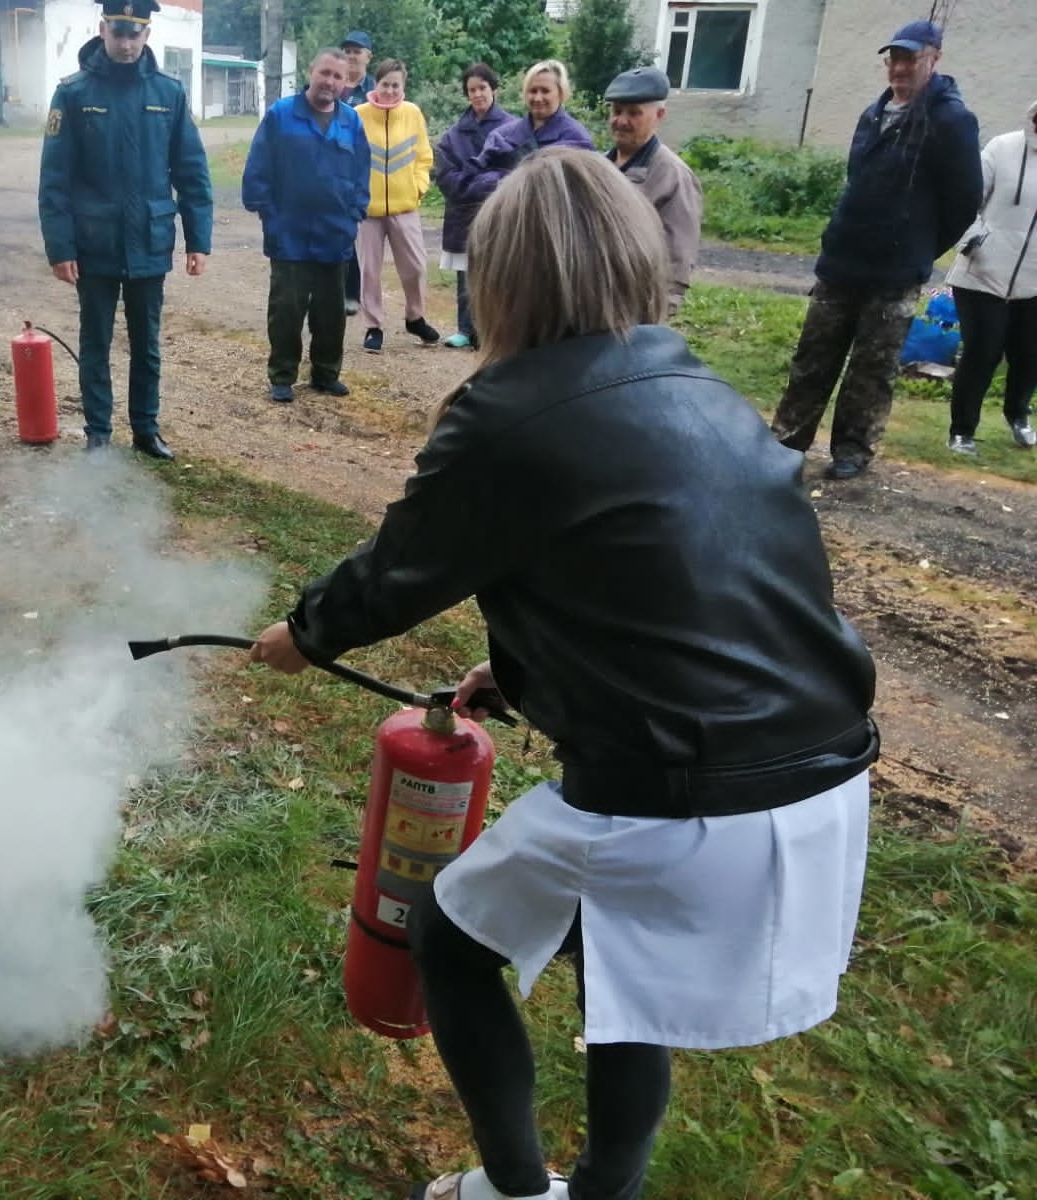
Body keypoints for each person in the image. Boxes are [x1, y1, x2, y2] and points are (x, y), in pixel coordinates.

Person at [250, 148, 877, 1200]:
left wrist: (301, 634)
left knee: (448, 938)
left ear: (496, 276)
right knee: (626, 982)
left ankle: (512, 1188)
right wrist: (524, 673)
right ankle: (604, 1191)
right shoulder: (701, 387)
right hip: (816, 778)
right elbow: (662, 590)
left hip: (680, 794)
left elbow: (402, 567)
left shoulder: (504, 410)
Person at [771, 20, 981, 480]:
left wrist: (920, 245)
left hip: (896, 271)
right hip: (842, 261)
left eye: (910, 58)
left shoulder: (951, 120)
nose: (900, 68)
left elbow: (966, 201)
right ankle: (788, 439)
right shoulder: (875, 112)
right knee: (813, 357)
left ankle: (852, 449)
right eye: (895, 58)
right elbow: (857, 180)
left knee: (873, 368)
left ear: (934, 59)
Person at [38, 0, 214, 460]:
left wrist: (199, 239)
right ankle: (98, 431)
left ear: (147, 34)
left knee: (147, 345)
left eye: (135, 33)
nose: (127, 42)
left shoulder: (168, 93)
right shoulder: (73, 93)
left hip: (149, 241)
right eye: (119, 32)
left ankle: (146, 429)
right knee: (95, 340)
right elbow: (54, 179)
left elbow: (191, 170)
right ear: (103, 30)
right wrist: (60, 247)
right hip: (93, 243)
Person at [242, 49, 370, 404]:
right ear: (311, 72)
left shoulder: (351, 122)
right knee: (286, 309)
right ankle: (282, 375)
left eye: (337, 77)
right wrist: (267, 212)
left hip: (335, 232)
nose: (329, 81)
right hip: (290, 231)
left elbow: (361, 171)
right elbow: (258, 166)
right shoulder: (282, 115)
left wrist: (355, 213)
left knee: (331, 312)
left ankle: (326, 373)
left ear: (346, 83)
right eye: (324, 73)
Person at [941, 98, 1037, 454]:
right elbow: (966, 198)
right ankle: (962, 430)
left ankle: (1018, 414)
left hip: (1033, 280)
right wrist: (974, 241)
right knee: (983, 351)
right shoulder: (1003, 148)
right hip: (982, 272)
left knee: (1029, 354)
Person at [356, 59, 441, 353]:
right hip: (369, 211)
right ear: (375, 85)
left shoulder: (413, 113)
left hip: (405, 206)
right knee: (370, 271)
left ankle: (415, 317)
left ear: (403, 86)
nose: (390, 90)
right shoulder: (358, 116)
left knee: (416, 266)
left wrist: (418, 188)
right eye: (385, 84)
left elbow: (423, 156)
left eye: (396, 85)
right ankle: (373, 326)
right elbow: (349, 159)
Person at [603, 66, 702, 317]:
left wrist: (656, 316)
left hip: (636, 307)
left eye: (634, 113)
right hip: (596, 301)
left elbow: (677, 260)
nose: (622, 121)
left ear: (659, 115)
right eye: (617, 111)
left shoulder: (673, 175)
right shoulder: (599, 166)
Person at [432, 63, 508, 349]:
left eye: (482, 88)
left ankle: (493, 330)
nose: (477, 94)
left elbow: (514, 171)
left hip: (500, 212)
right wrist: (480, 182)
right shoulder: (453, 135)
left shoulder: (512, 128)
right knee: (465, 274)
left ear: (494, 90)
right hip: (463, 212)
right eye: (472, 90)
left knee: (497, 272)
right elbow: (446, 176)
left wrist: (476, 181)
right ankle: (465, 328)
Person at [462, 60, 594, 209]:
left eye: (545, 91)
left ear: (561, 93)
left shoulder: (576, 139)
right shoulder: (502, 136)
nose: (538, 98)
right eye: (533, 91)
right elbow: (473, 185)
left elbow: (582, 197)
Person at [339, 30, 375, 319]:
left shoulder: (377, 91)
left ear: (368, 56)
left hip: (364, 171)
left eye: (357, 51)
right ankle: (342, 292)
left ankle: (355, 294)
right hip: (334, 170)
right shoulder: (333, 87)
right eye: (347, 50)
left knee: (361, 240)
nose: (352, 56)